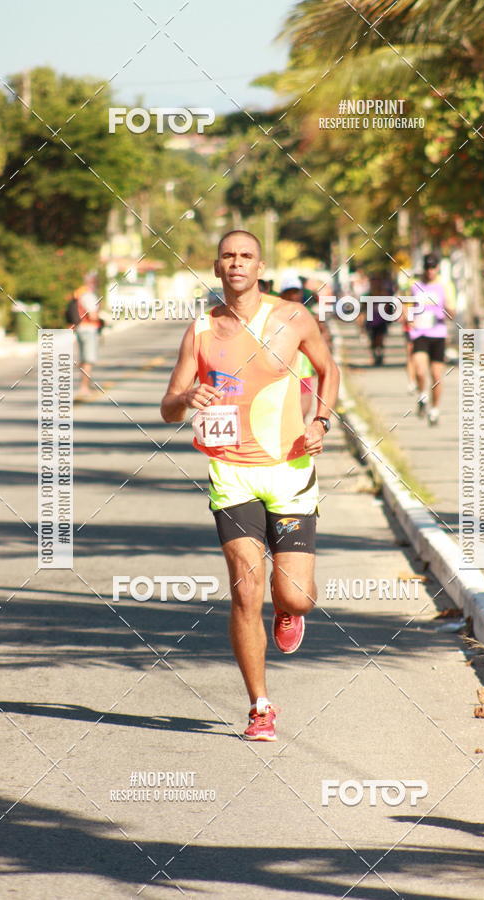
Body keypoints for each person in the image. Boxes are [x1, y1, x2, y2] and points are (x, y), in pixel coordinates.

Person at [161, 231, 339, 741]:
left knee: (297, 595)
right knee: (245, 588)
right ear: (216, 267)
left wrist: (320, 423)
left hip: (289, 470)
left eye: (246, 256)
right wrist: (186, 398)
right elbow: (168, 405)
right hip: (231, 473)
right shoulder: (199, 331)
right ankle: (260, 706)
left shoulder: (291, 318)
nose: (236, 263)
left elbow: (328, 372)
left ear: (259, 266)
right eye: (228, 256)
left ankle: (290, 609)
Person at [408, 253, 455, 425]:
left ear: (437, 268)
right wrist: (409, 318)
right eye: (427, 268)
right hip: (420, 334)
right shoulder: (415, 285)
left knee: (436, 376)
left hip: (438, 334)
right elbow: (407, 305)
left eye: (433, 268)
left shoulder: (445, 285)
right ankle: (422, 395)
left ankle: (435, 409)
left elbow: (452, 311)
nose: (430, 271)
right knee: (420, 371)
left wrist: (448, 309)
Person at [279, 273, 315, 420]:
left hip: (302, 370)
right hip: (280, 372)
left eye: (295, 292)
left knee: (301, 419)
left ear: (301, 293)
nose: (293, 296)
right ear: (282, 294)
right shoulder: (274, 315)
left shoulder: (308, 315)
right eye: (289, 292)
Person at [74, 278, 102, 398]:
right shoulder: (89, 296)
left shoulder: (80, 295)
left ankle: (85, 387)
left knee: (84, 359)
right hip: (89, 330)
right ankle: (84, 388)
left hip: (80, 329)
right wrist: (102, 320)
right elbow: (93, 315)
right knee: (88, 361)